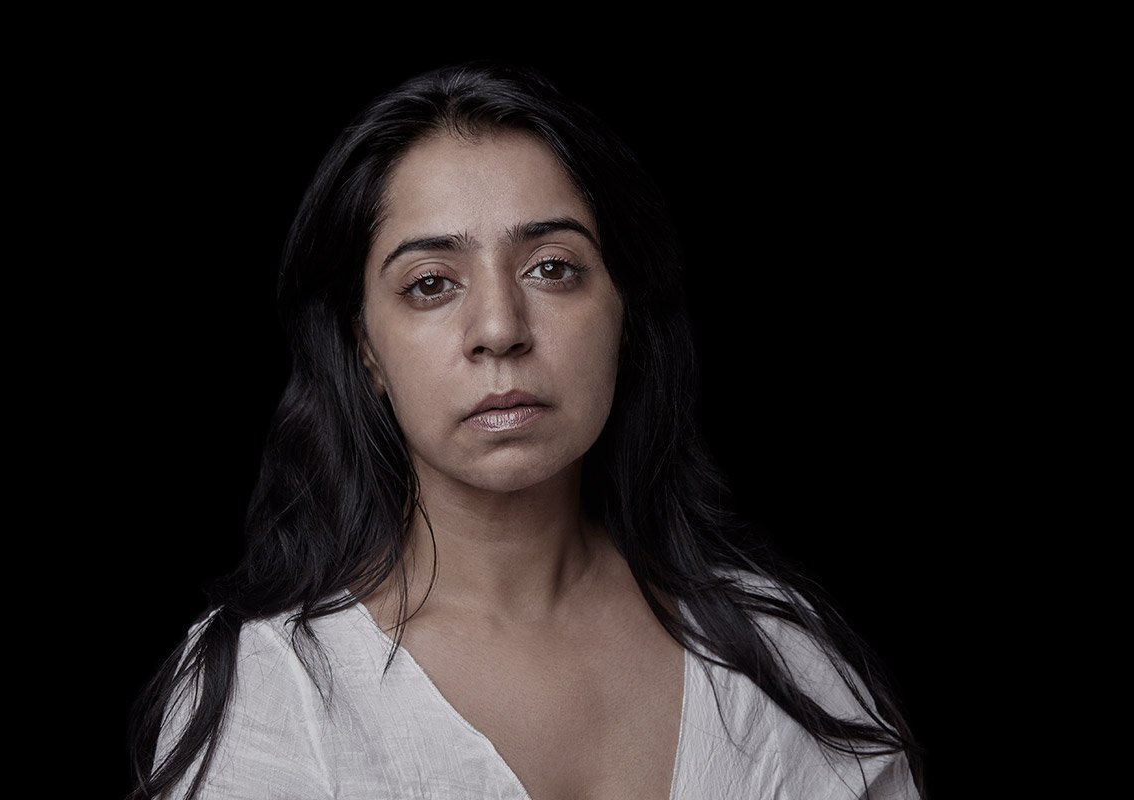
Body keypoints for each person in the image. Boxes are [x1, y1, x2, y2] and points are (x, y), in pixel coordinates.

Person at [126, 61, 926, 799]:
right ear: (365, 348)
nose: (500, 328)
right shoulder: (275, 690)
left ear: (624, 311)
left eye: (552, 268)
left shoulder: (776, 661)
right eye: (431, 283)